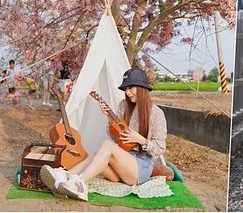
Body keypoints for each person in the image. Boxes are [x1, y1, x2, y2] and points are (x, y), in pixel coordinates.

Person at [40, 68, 169, 201]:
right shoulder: (124, 106)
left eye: (131, 88)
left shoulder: (156, 114)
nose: (127, 92)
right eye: (125, 89)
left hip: (140, 168)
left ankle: (81, 184)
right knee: (94, 156)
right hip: (122, 167)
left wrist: (140, 139)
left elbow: (160, 148)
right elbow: (116, 138)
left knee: (107, 145)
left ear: (142, 88)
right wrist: (109, 118)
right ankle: (63, 177)